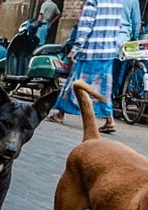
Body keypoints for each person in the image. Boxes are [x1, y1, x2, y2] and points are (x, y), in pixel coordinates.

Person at [48, 0, 123, 133]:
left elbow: (85, 26)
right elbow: (118, 27)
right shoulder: (117, 2)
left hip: (90, 51)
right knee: (103, 87)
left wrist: (75, 48)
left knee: (76, 83)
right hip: (108, 52)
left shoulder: (93, 2)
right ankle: (109, 118)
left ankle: (60, 114)